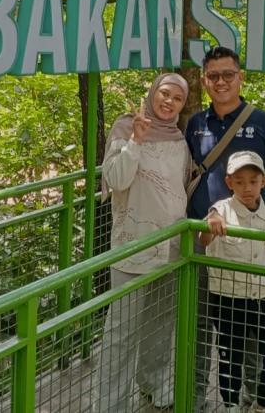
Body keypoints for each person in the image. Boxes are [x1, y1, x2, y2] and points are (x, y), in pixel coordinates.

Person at [185, 46, 265, 409]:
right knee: (202, 326)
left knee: (252, 329)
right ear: (205, 80)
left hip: (252, 240)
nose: (221, 82)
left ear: (240, 77)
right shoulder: (196, 124)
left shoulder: (263, 122)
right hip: (205, 239)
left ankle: (253, 402)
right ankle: (198, 400)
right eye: (213, 76)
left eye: (228, 75)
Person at [93, 73, 191, 413]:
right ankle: (110, 404)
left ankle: (154, 385)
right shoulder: (126, 127)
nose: (169, 102)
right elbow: (116, 179)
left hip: (172, 244)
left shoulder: (179, 138)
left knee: (161, 324)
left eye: (177, 98)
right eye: (164, 93)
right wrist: (136, 140)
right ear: (152, 93)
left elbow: (180, 186)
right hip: (132, 246)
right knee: (121, 331)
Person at [204, 150, 265, 412]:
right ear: (229, 182)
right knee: (230, 358)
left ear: (264, 182)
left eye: (253, 181)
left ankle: (261, 404)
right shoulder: (220, 210)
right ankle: (230, 405)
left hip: (263, 297)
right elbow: (204, 237)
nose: (247, 188)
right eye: (239, 182)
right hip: (228, 298)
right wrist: (210, 224)